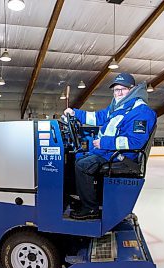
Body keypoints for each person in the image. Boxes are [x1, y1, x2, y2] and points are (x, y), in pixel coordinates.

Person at [63, 72, 156, 220]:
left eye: (122, 89)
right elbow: (98, 117)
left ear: (132, 89)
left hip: (122, 156)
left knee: (82, 165)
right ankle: (86, 196)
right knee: (78, 155)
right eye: (115, 90)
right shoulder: (119, 106)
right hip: (108, 151)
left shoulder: (141, 111)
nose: (118, 93)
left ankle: (90, 208)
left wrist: (104, 142)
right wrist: (75, 113)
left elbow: (134, 142)